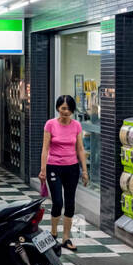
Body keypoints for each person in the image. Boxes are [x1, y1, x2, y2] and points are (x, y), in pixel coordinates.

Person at [38, 94, 88, 251]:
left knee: (70, 203)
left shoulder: (76, 126)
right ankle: (53, 234)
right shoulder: (50, 124)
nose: (66, 111)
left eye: (69, 109)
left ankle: (66, 238)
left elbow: (80, 148)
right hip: (54, 167)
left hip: (72, 168)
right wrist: (43, 169)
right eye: (63, 108)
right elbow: (45, 148)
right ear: (58, 108)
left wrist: (84, 171)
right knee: (58, 202)